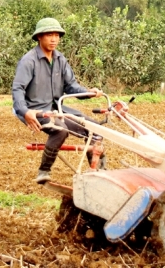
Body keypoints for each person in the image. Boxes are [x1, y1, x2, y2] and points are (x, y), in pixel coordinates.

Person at [12, 17, 105, 184]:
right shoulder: (29, 60)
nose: (54, 39)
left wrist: (88, 92)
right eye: (49, 35)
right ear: (39, 37)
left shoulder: (60, 59)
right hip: (36, 109)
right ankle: (44, 171)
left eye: (56, 35)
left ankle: (97, 171)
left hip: (58, 108)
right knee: (60, 129)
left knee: (96, 130)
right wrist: (25, 112)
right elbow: (17, 89)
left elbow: (71, 86)